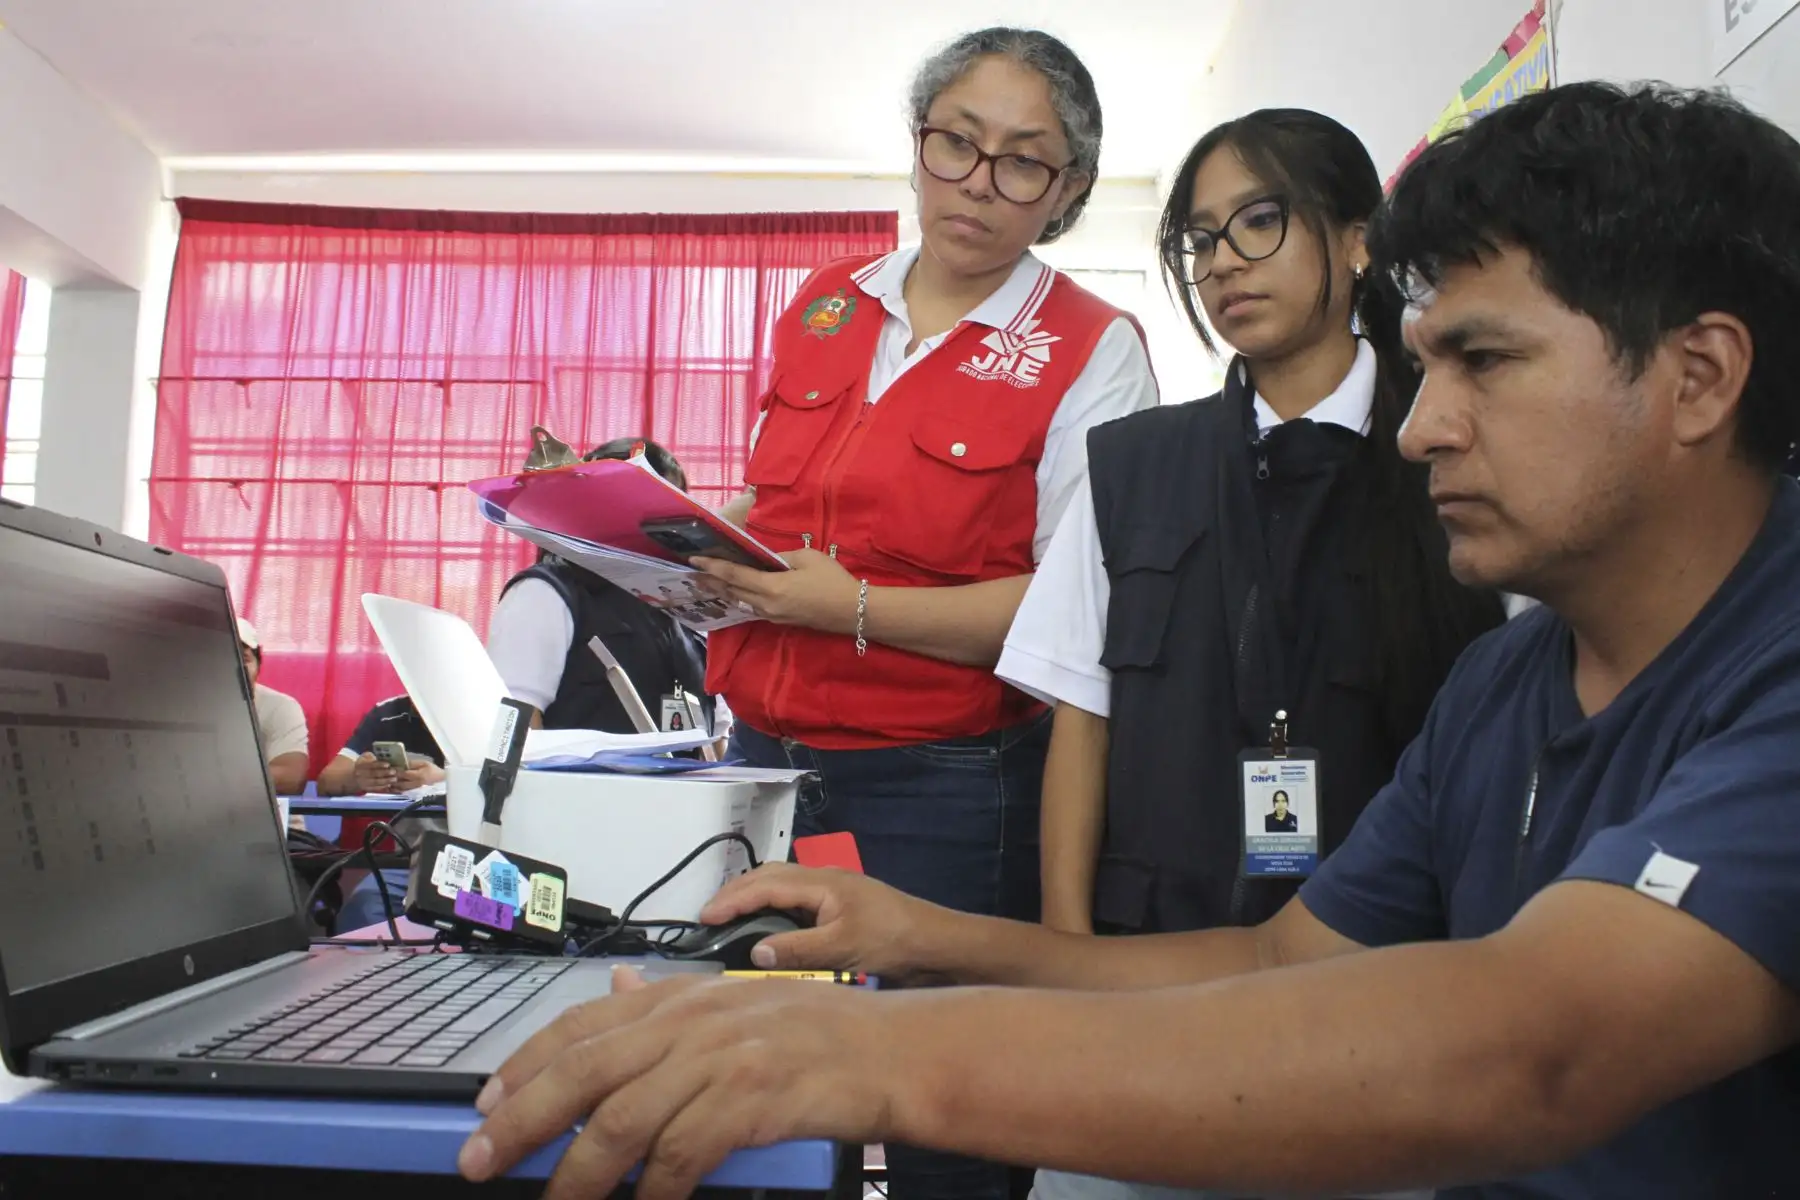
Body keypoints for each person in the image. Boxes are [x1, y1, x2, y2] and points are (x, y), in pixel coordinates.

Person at [456, 84, 1800, 1200]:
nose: (1419, 427)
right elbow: (1278, 962)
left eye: (1485, 365)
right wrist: (922, 938)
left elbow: (1537, 1048)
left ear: (1699, 377)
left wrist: (873, 1055)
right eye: (1426, 364)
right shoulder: (1507, 680)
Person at [688, 30, 1157, 1200]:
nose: (977, 184)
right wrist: (709, 545)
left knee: (949, 1108)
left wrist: (843, 606)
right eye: (957, 143)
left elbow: (1071, 612)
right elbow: (788, 495)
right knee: (770, 1089)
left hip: (944, 786)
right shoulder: (825, 302)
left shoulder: (1094, 351)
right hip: (764, 771)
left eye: (1022, 163)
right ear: (917, 145)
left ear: (1068, 193)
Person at [997, 109, 1502, 942]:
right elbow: (1082, 720)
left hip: (1385, 948)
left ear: (1356, 241)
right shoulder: (1135, 464)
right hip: (1157, 942)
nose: (1224, 259)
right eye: (1201, 240)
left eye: (1261, 221)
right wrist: (1067, 947)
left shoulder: (1445, 453)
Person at [487, 437, 719, 738]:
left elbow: (716, 741)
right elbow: (515, 728)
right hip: (579, 785)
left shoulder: (690, 605)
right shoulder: (544, 594)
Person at [316, 694, 448, 932]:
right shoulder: (388, 713)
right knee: (362, 911)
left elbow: (525, 780)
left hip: (480, 857)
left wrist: (444, 781)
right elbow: (327, 781)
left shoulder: (488, 709)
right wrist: (358, 777)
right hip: (410, 861)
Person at [237, 618, 308, 796]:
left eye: (243, 658)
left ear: (258, 665)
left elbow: (292, 779)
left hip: (273, 821)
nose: (234, 665)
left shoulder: (280, 707)